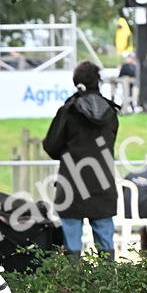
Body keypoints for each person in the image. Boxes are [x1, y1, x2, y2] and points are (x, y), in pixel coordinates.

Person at [42, 61, 120, 260]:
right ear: (98, 82)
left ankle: (71, 287)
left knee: (72, 249)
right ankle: (109, 286)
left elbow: (51, 146)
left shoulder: (68, 112)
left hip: (72, 186)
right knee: (106, 248)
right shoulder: (111, 113)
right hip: (103, 185)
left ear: (76, 82)